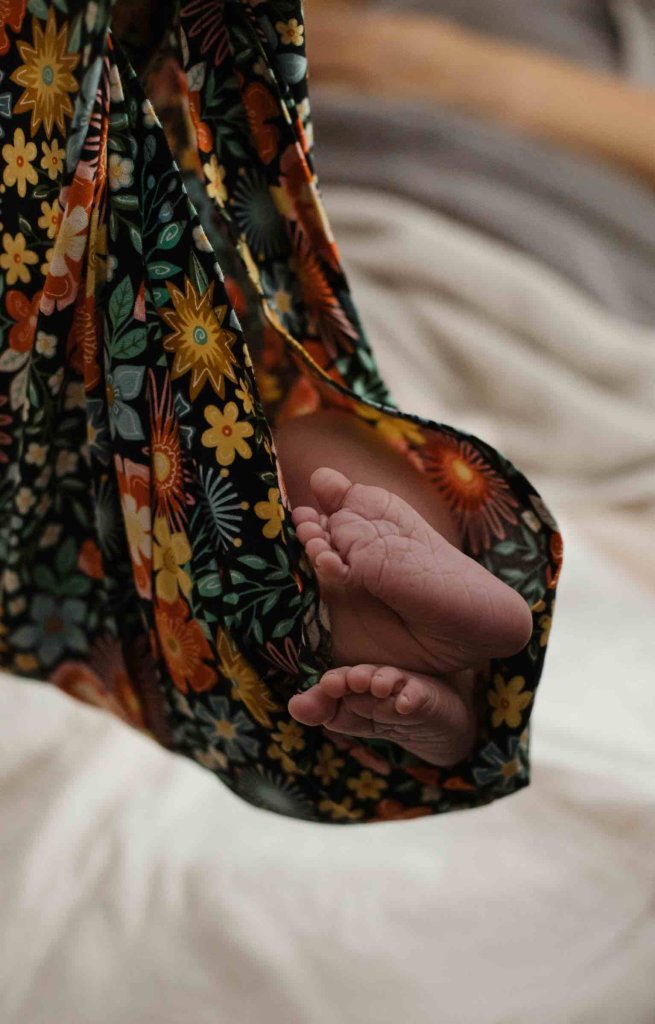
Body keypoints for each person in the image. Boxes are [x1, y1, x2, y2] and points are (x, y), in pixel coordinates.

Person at [0, 0, 560, 822]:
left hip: (494, 254)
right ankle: (405, 647)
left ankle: (401, 638)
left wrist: (454, 70)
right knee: (283, 450)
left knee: (273, 452)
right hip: (379, 238)